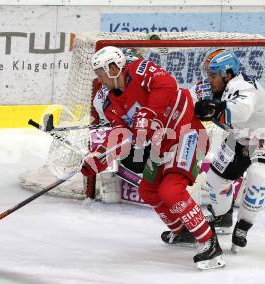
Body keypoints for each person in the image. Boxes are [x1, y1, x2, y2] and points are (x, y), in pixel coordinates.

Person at [81, 46, 225, 270]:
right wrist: (101, 156)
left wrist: (149, 112)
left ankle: (209, 242)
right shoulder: (111, 104)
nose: (98, 79)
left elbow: (167, 84)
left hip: (187, 134)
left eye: (100, 73)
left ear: (112, 68)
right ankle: (183, 231)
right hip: (162, 146)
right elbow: (123, 137)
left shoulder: (139, 70)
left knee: (171, 190)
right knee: (147, 190)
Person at [194, 49, 265, 253]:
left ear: (227, 74)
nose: (210, 80)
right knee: (215, 181)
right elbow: (185, 98)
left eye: (214, 75)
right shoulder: (211, 87)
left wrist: (215, 106)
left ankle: (243, 227)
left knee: (259, 175)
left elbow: (242, 110)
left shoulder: (242, 85)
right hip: (242, 134)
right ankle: (222, 217)